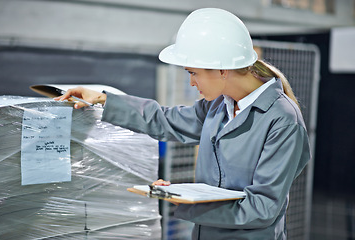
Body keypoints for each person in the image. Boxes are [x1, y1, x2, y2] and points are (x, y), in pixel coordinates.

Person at [55, 8, 311, 240]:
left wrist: (188, 203)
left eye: (193, 73)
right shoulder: (218, 106)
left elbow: (262, 207)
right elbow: (164, 120)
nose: (191, 83)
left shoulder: (282, 121)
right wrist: (103, 99)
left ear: (221, 69)